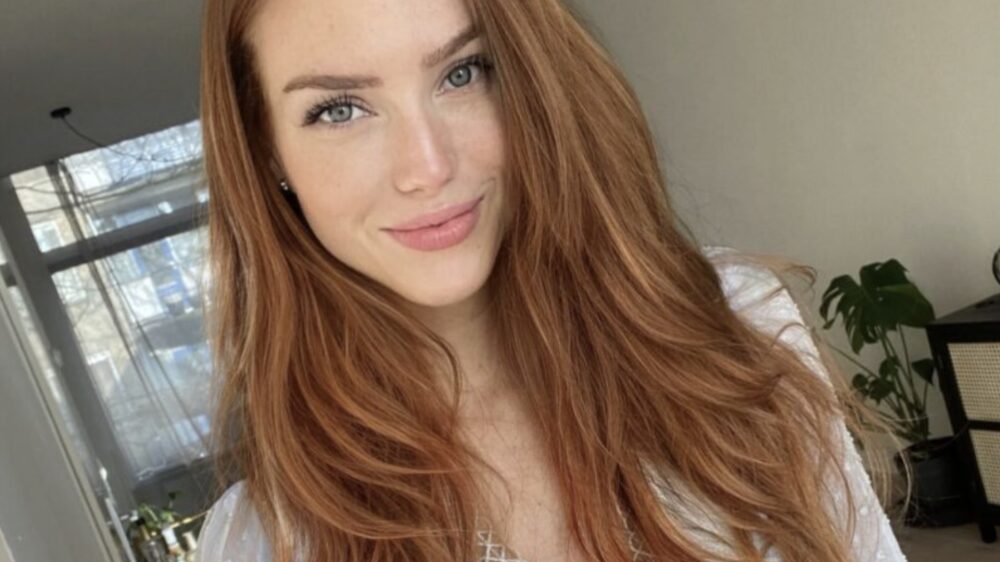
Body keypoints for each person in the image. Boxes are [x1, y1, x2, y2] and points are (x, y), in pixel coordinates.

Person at [195, 0, 911, 561]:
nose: (427, 167)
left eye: (463, 71)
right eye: (339, 109)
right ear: (268, 153)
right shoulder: (267, 542)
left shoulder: (733, 327)